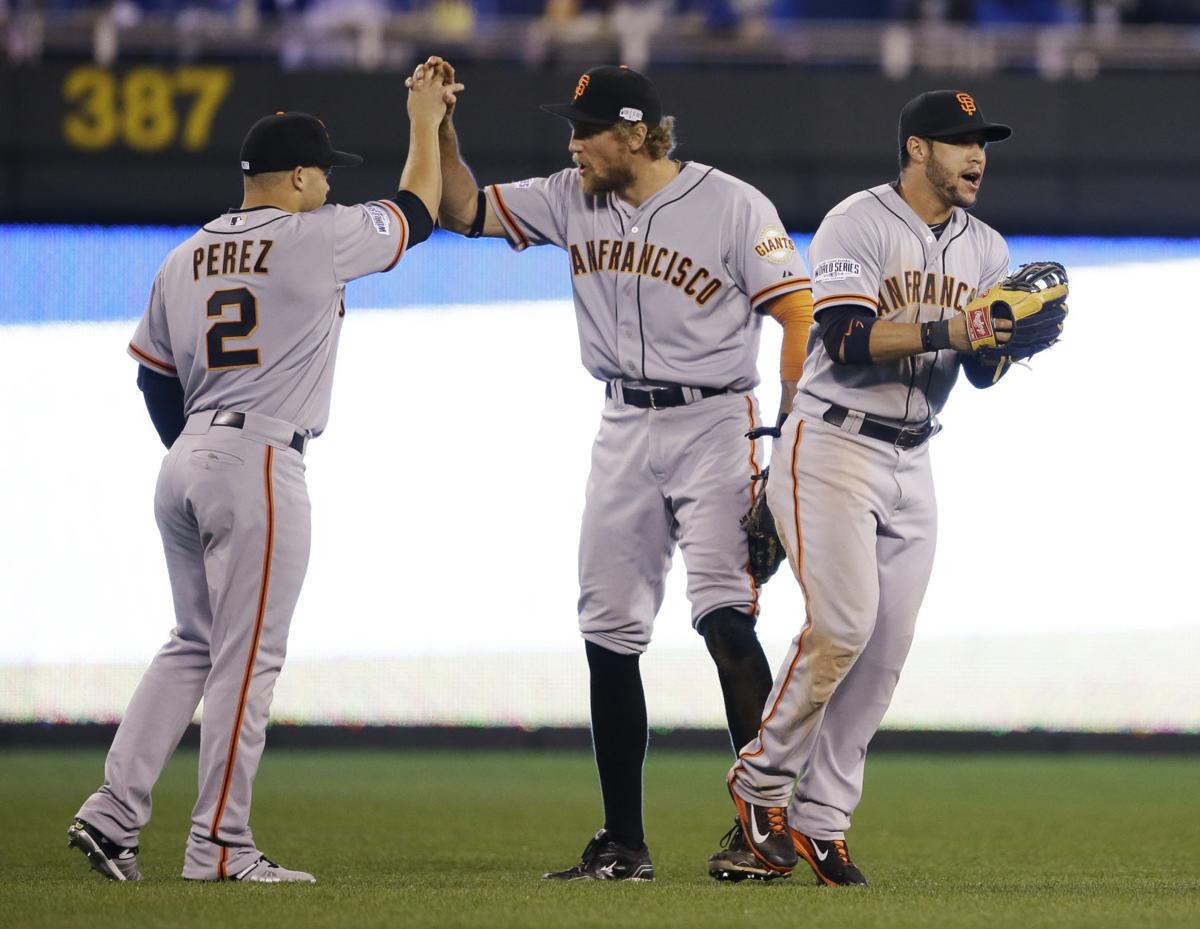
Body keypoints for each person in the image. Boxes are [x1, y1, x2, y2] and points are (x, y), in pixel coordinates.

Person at [416, 57, 815, 881]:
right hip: (622, 424)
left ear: (636, 133)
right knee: (607, 633)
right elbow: (459, 206)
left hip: (716, 421)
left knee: (726, 623)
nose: (573, 145)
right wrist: (441, 125)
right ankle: (624, 842)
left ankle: (764, 827)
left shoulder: (733, 204)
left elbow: (796, 312)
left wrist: (784, 451)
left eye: (586, 129)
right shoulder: (572, 197)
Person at [66, 68, 461, 883]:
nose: (328, 184)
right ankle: (217, 844)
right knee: (247, 659)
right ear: (295, 177)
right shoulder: (315, 236)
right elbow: (419, 211)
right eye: (322, 172)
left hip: (186, 461)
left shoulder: (185, 255)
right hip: (259, 459)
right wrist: (424, 120)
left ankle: (112, 812)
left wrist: (197, 454)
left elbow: (151, 376)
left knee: (192, 644)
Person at [708, 89, 1017, 885]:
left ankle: (823, 820)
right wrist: (961, 328)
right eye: (959, 142)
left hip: (916, 456)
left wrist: (1006, 343)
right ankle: (760, 782)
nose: (976, 155)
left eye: (982, 142)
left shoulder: (987, 247)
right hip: (834, 444)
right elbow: (843, 337)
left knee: (883, 654)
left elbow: (979, 371)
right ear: (918, 149)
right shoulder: (858, 221)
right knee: (843, 626)